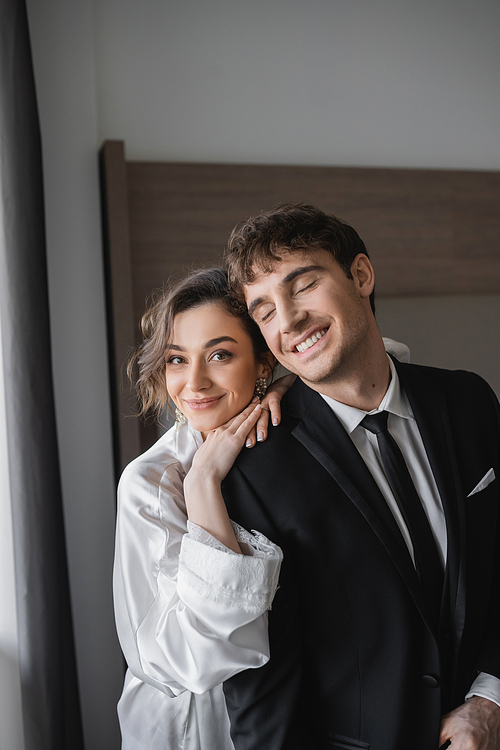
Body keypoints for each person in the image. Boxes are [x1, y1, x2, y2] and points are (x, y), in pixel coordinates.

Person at [221, 203, 500, 750]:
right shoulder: (254, 470)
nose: (289, 320)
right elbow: (262, 688)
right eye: (264, 310)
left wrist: (488, 701)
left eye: (303, 285)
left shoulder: (470, 400)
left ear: (362, 276)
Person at [113, 267, 290, 750]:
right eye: (176, 359)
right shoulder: (151, 484)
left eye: (219, 355)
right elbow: (186, 661)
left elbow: (381, 358)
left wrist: (293, 383)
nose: (194, 382)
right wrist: (203, 484)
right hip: (194, 724)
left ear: (262, 363)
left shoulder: (286, 434)